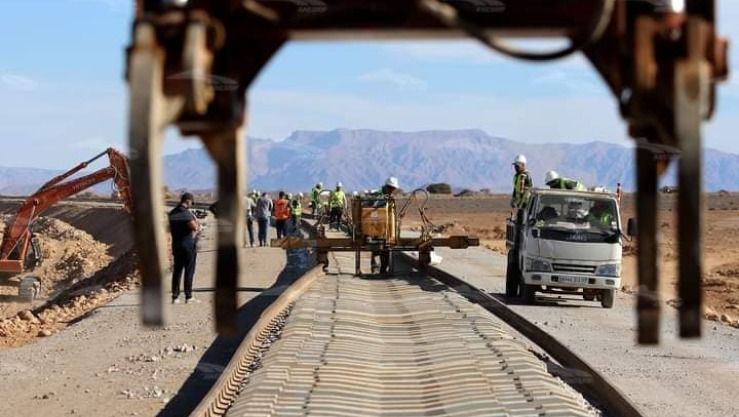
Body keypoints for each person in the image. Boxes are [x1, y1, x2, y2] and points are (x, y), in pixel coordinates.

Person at [169, 192, 200, 304]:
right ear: (188, 201)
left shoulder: (172, 213)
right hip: (188, 246)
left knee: (177, 271)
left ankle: (175, 296)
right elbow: (194, 228)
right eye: (191, 202)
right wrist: (195, 220)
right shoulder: (186, 214)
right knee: (189, 271)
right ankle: (188, 296)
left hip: (176, 246)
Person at [371, 176, 400, 274]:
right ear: (388, 187)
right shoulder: (378, 194)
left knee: (386, 248)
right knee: (376, 247)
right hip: (377, 223)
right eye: (392, 189)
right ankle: (375, 267)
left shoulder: (389, 195)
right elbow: (373, 209)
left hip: (386, 225)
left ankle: (383, 269)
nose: (393, 191)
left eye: (394, 189)